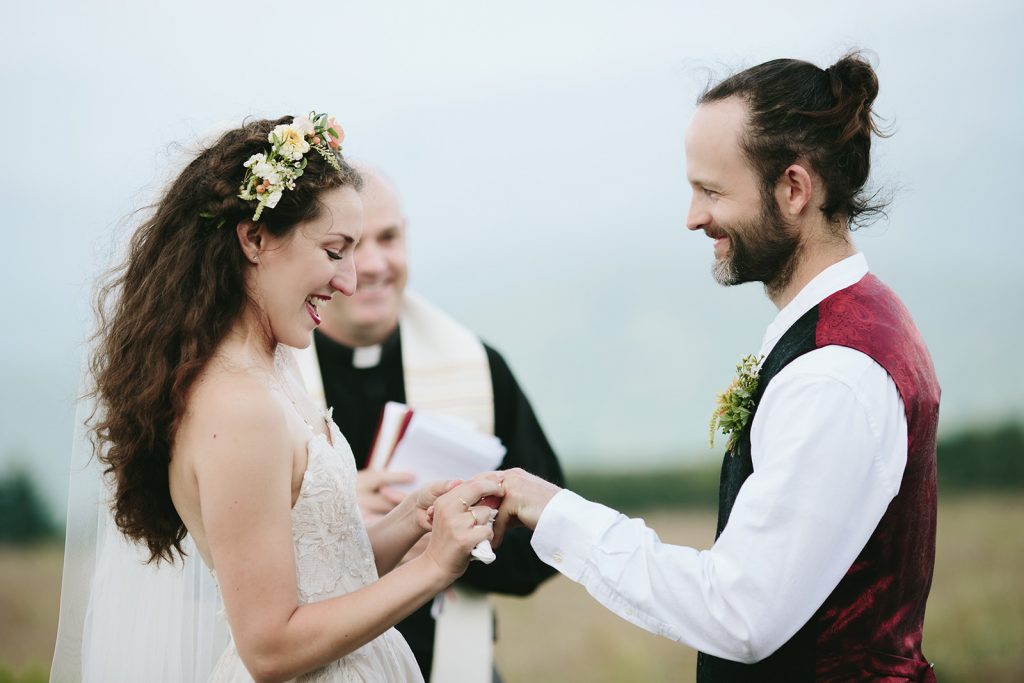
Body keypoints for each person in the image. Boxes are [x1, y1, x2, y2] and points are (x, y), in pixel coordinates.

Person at [493, 53, 940, 682]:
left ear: (793, 189)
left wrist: (558, 514)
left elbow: (740, 612)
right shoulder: (858, 320)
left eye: (712, 191)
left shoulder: (834, 373)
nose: (693, 216)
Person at [50, 113, 504, 683]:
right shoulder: (237, 407)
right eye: (335, 250)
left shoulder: (275, 366)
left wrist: (414, 519)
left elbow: (327, 571)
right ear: (256, 238)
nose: (350, 282)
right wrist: (434, 568)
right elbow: (269, 647)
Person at [292, 163, 565, 681]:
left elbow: (547, 540)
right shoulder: (265, 381)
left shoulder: (479, 367)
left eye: (389, 238)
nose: (372, 264)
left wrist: (453, 544)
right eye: (346, 246)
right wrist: (336, 522)